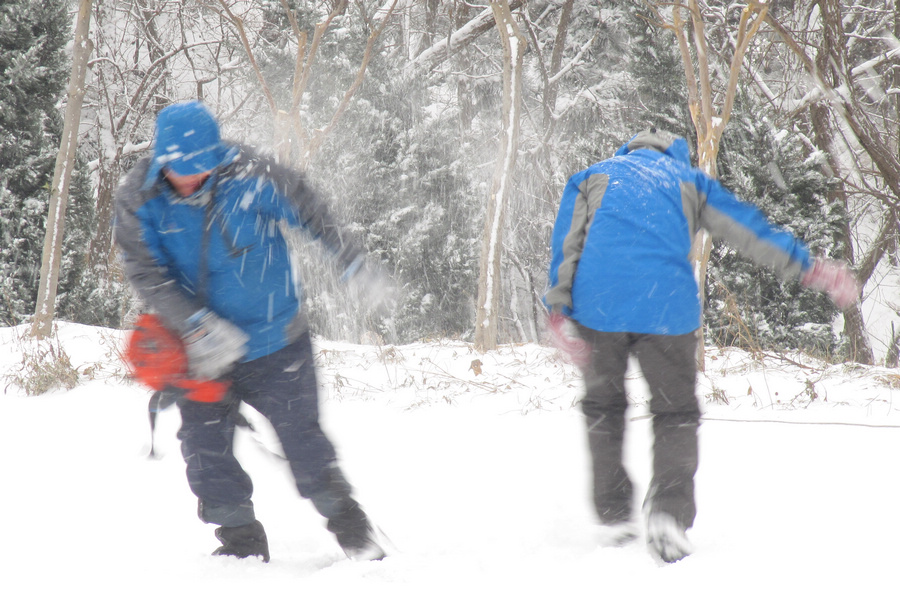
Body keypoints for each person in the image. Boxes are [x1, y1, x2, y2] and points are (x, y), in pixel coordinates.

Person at [544, 128, 859, 563]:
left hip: (600, 305)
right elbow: (747, 228)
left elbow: (567, 244)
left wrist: (558, 307)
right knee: (675, 413)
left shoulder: (594, 176)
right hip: (665, 309)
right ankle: (669, 517)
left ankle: (615, 514)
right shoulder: (688, 178)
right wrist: (809, 268)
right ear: (673, 152)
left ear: (628, 150)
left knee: (604, 406)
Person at [115, 100, 388, 563]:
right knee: (204, 451)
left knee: (304, 441)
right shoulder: (138, 197)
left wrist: (349, 258)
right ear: (161, 160)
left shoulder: (251, 174)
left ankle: (354, 533)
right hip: (199, 350)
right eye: (182, 170)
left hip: (275, 340)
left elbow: (309, 208)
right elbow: (144, 271)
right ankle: (240, 545)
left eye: (203, 167)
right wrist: (195, 325)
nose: (193, 178)